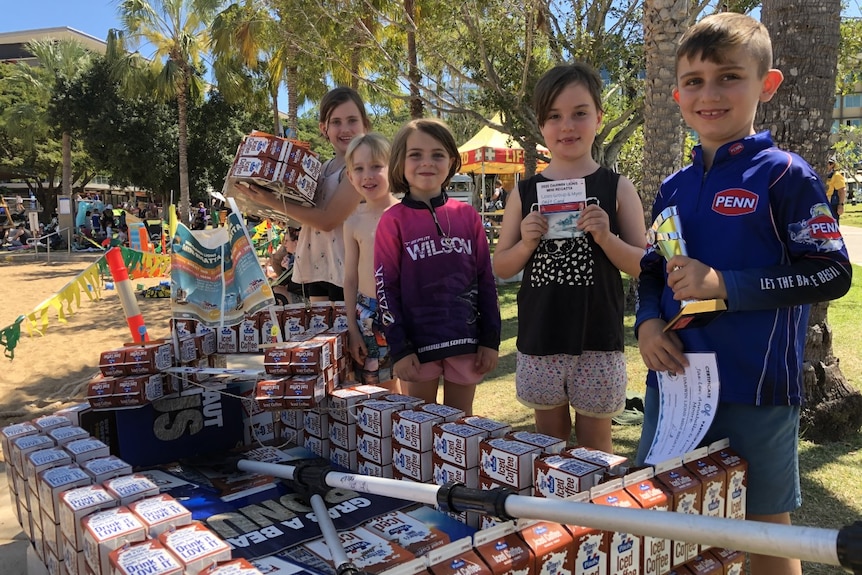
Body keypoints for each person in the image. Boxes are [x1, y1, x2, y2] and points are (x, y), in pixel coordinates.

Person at [634, 13, 852, 575]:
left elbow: (830, 272)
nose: (710, 94)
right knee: (667, 524)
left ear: (767, 84)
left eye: (729, 76)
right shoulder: (673, 186)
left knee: (764, 538)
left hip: (756, 389)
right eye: (695, 81)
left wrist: (725, 287)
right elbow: (654, 267)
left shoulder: (785, 175)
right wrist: (647, 325)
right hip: (676, 384)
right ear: (677, 91)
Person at [491, 63, 646, 452]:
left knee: (596, 447)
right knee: (550, 445)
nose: (567, 126)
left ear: (599, 117)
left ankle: (597, 516)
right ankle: (555, 515)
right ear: (541, 125)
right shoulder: (523, 193)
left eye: (579, 113)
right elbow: (501, 266)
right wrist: (526, 243)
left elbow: (643, 263)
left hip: (598, 337)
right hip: (542, 336)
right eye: (554, 116)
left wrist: (607, 238)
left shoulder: (617, 188)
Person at [374, 118, 501, 415]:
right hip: (417, 350)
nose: (426, 163)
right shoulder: (392, 221)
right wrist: (400, 349)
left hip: (466, 342)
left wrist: (490, 340)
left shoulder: (467, 215)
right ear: (400, 162)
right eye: (415, 154)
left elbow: (485, 279)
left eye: (438, 154)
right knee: (420, 430)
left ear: (452, 161)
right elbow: (385, 289)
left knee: (461, 430)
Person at [235, 87, 370, 302]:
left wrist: (272, 201)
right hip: (317, 264)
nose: (345, 129)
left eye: (352, 120)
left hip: (349, 269)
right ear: (324, 128)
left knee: (347, 330)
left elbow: (327, 220)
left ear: (365, 124)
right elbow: (307, 214)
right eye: (336, 122)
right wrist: (267, 200)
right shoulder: (324, 168)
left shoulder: (361, 168)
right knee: (321, 331)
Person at [342, 133, 400, 387]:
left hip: (404, 311)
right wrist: (353, 328)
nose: (368, 175)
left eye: (377, 166)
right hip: (367, 315)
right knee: (375, 391)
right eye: (359, 168)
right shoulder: (352, 221)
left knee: (410, 391)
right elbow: (350, 278)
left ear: (394, 169)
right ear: (349, 176)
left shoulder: (406, 214)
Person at [825, 156, 847, 223]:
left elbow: (842, 191)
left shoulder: (836, 175)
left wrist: (841, 205)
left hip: (832, 204)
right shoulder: (823, 174)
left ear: (832, 165)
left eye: (828, 163)